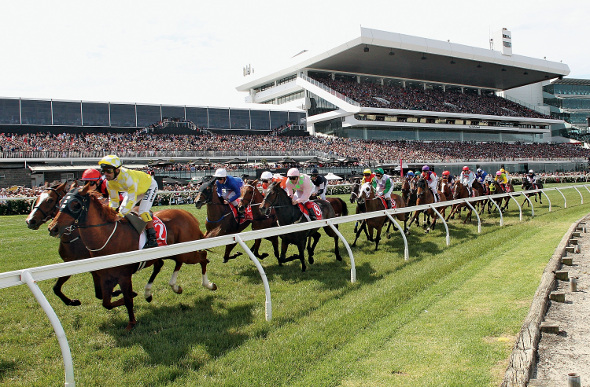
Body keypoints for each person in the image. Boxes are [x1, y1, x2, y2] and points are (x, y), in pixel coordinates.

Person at [98, 154, 159, 249]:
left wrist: (120, 215)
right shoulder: (110, 183)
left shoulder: (127, 178)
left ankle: (153, 239)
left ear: (117, 170)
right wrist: (110, 213)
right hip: (137, 189)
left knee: (143, 212)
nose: (106, 174)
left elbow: (132, 199)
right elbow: (114, 201)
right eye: (103, 171)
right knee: (122, 209)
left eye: (108, 171)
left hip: (149, 186)